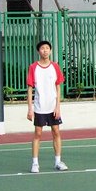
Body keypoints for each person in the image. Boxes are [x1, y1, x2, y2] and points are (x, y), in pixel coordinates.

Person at [26, 40, 68, 173]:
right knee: (38, 134)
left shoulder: (55, 66)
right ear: (39, 51)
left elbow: (58, 87)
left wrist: (58, 107)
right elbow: (30, 89)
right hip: (39, 107)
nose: (45, 50)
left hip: (52, 107)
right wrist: (30, 108)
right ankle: (35, 163)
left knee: (56, 132)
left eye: (47, 48)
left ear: (50, 51)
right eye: (42, 48)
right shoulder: (33, 67)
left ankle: (58, 161)